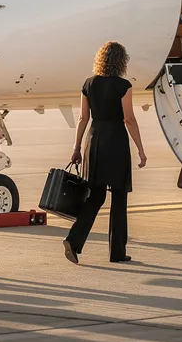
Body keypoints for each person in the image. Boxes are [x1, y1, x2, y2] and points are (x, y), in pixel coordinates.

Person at [63, 41, 147, 264]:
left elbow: (83, 118)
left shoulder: (89, 84)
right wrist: (140, 149)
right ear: (122, 62)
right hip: (116, 142)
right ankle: (117, 252)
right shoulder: (123, 86)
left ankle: (74, 239)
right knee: (119, 197)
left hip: (94, 140)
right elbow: (128, 118)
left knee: (96, 196)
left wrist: (76, 147)